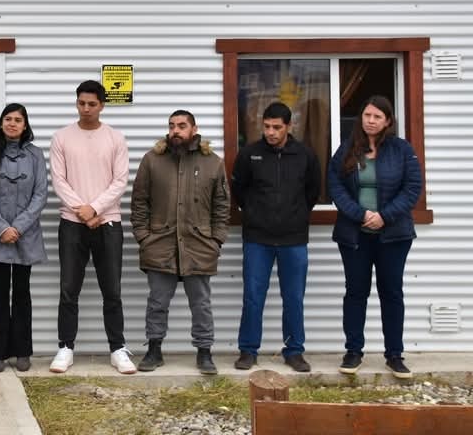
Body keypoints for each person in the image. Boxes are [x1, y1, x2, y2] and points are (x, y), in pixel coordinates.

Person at [329, 95, 422, 379]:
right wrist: (361, 214)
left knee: (391, 292)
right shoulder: (347, 149)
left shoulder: (402, 150)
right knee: (356, 292)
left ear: (388, 122)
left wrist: (384, 215)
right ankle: (353, 351)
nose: (370, 121)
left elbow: (412, 187)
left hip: (393, 235)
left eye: (377, 117)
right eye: (367, 115)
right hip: (355, 234)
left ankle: (394, 354)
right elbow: (335, 186)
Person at [130, 110, 229, 375]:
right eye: (172, 125)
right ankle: (154, 350)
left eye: (182, 126)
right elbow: (139, 202)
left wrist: (216, 239)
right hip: (160, 244)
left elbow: (222, 205)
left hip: (199, 245)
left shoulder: (213, 163)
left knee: (201, 304)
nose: (176, 130)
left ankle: (205, 352)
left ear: (193, 129)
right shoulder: (152, 161)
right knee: (157, 303)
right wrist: (144, 237)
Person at [49, 80, 135, 375]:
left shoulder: (115, 138)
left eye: (92, 104)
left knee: (111, 289)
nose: (86, 109)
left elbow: (120, 181)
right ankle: (65, 347)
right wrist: (83, 211)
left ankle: (118, 349)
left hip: (108, 223)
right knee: (68, 288)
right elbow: (59, 180)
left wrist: (95, 208)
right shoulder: (62, 138)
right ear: (76, 103)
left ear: (102, 105)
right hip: (72, 223)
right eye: (81, 103)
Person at [231, 102, 320, 373]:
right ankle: (248, 351)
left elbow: (313, 191)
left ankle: (294, 351)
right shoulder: (250, 154)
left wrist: (297, 215)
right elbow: (239, 189)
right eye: (267, 126)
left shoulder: (305, 155)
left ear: (288, 127)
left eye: (276, 128)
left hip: (294, 239)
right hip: (258, 238)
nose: (270, 132)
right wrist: (256, 214)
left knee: (293, 297)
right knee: (253, 296)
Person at [0, 103, 48, 373]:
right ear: (1, 123)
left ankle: (22, 351)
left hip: (25, 236)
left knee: (22, 293)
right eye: (8, 119)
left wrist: (17, 227)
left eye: (18, 120)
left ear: (25, 125)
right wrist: (2, 228)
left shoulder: (35, 155)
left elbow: (41, 195)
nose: (12, 124)